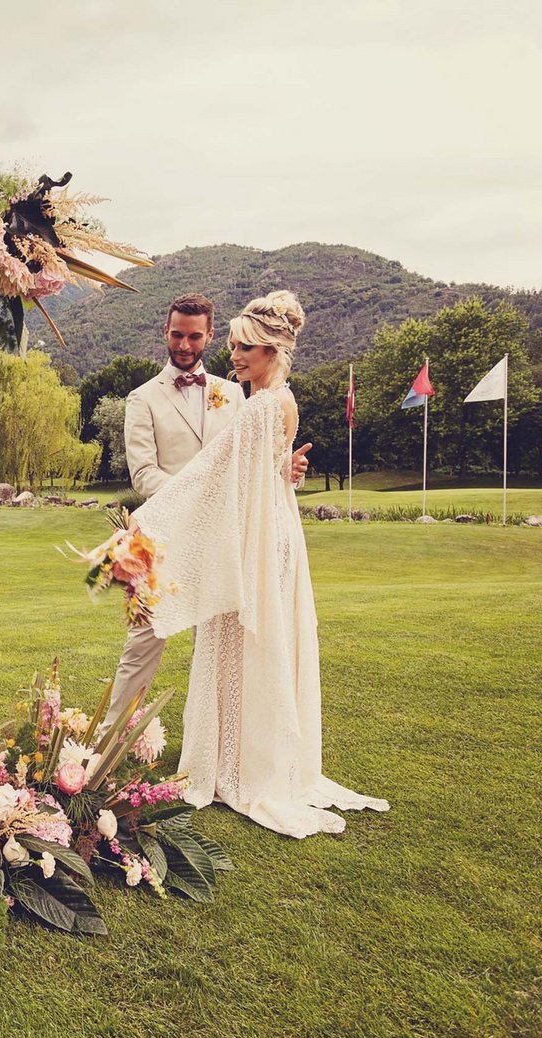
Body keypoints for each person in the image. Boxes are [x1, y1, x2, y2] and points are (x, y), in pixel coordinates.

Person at [131, 290, 388, 837]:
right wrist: (282, 468)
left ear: (272, 350)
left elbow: (215, 476)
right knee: (258, 642)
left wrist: (147, 526)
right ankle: (249, 756)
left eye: (245, 347)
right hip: (269, 534)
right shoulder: (277, 401)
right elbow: (250, 472)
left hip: (251, 542)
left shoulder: (258, 405)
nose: (235, 356)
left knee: (244, 640)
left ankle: (237, 766)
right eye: (234, 346)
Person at [101, 293, 309, 734]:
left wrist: (286, 468)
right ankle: (106, 741)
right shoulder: (142, 398)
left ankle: (219, 743)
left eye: (195, 336)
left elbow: (254, 463)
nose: (184, 344)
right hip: (167, 532)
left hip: (228, 537)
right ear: (166, 331)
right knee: (145, 637)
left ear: (210, 335)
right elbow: (143, 473)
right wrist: (192, 508)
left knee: (218, 644)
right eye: (177, 334)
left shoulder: (237, 392)